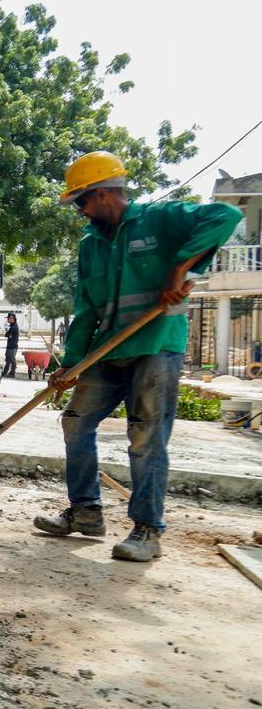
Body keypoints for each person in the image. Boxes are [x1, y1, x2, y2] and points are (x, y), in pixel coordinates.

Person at [34, 151, 241, 562]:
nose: (80, 210)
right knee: (75, 423)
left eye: (82, 200)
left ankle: (147, 530)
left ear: (106, 193)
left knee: (146, 439)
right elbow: (86, 309)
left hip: (156, 346)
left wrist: (180, 269)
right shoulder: (91, 245)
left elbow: (223, 216)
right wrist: (71, 364)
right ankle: (86, 513)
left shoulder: (158, 219)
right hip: (109, 351)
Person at [3, 313, 20, 378]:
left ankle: (12, 373)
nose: (8, 319)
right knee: (8, 360)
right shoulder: (12, 326)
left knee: (12, 360)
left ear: (13, 319)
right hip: (9, 346)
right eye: (8, 318)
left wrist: (8, 331)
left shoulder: (14, 327)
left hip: (13, 347)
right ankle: (5, 372)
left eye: (9, 318)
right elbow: (7, 335)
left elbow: (7, 334)